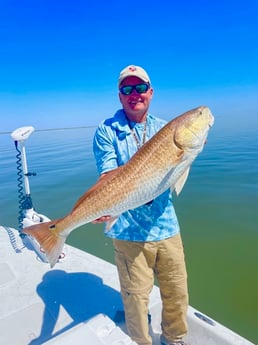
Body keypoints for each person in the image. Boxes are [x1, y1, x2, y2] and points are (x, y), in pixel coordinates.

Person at [92, 65, 188, 345]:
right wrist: (101, 205)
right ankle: (141, 341)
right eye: (126, 89)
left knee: (177, 291)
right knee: (136, 296)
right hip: (127, 230)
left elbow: (177, 171)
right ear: (120, 96)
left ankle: (174, 339)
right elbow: (108, 175)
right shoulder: (107, 131)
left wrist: (191, 149)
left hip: (166, 225)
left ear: (151, 92)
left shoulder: (165, 129)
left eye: (139, 88)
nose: (134, 94)